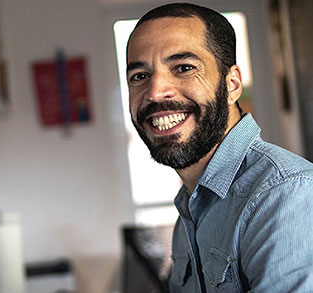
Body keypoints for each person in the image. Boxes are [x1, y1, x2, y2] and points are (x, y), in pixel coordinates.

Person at [126, 2, 313, 292]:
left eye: (184, 68)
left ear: (232, 84)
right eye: (139, 76)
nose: (154, 92)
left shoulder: (285, 194)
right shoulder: (189, 212)